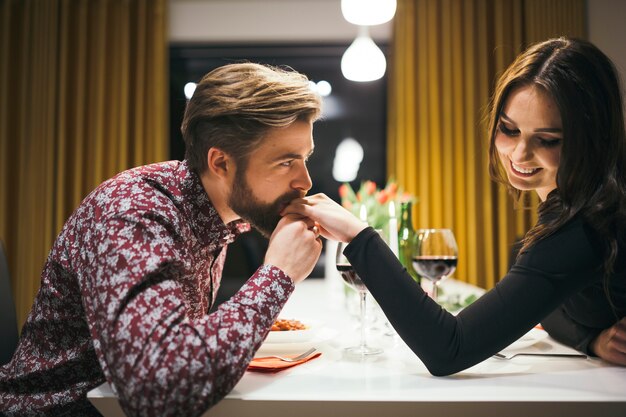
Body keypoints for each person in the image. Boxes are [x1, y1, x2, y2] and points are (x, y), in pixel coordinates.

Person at [284, 37, 626, 375]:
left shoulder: (587, 224)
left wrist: (358, 236)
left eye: (548, 140)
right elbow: (544, 303)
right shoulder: (573, 206)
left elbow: (449, 349)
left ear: (592, 137)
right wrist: (590, 339)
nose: (520, 154)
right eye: (508, 129)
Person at [0, 63, 323, 416]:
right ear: (221, 163)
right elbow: (158, 391)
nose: (304, 181)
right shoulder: (134, 214)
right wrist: (277, 274)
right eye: (285, 162)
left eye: (304, 158)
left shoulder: (214, 216)